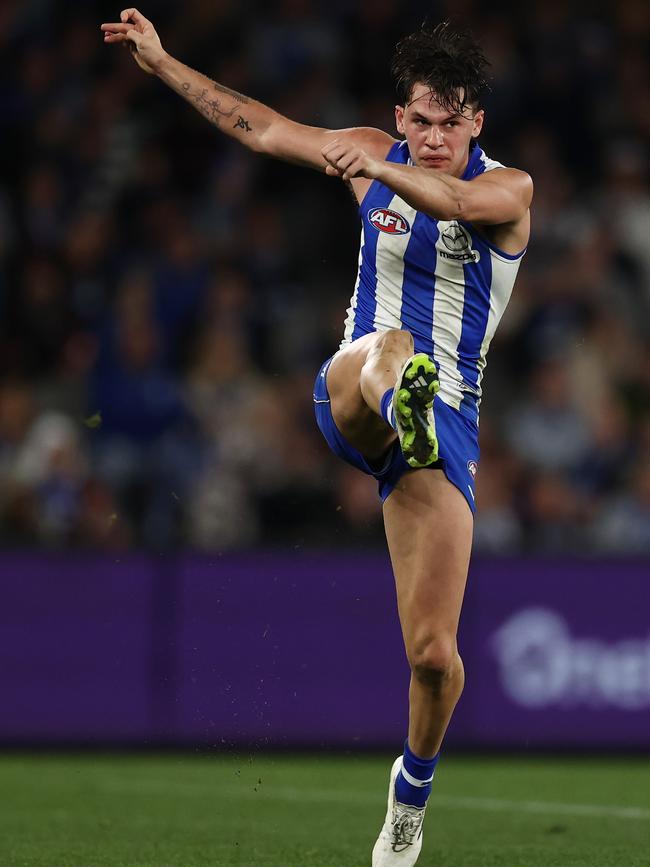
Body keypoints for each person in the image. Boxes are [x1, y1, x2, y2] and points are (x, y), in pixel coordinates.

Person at [102, 10, 532, 865]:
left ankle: (408, 797)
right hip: (353, 387)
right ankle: (393, 389)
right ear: (401, 113)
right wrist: (162, 65)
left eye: (452, 122)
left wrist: (377, 163)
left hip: (446, 429)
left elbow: (452, 200)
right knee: (390, 349)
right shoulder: (374, 149)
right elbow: (260, 128)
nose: (435, 136)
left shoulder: (508, 190)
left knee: (435, 656)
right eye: (420, 120)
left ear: (476, 122)